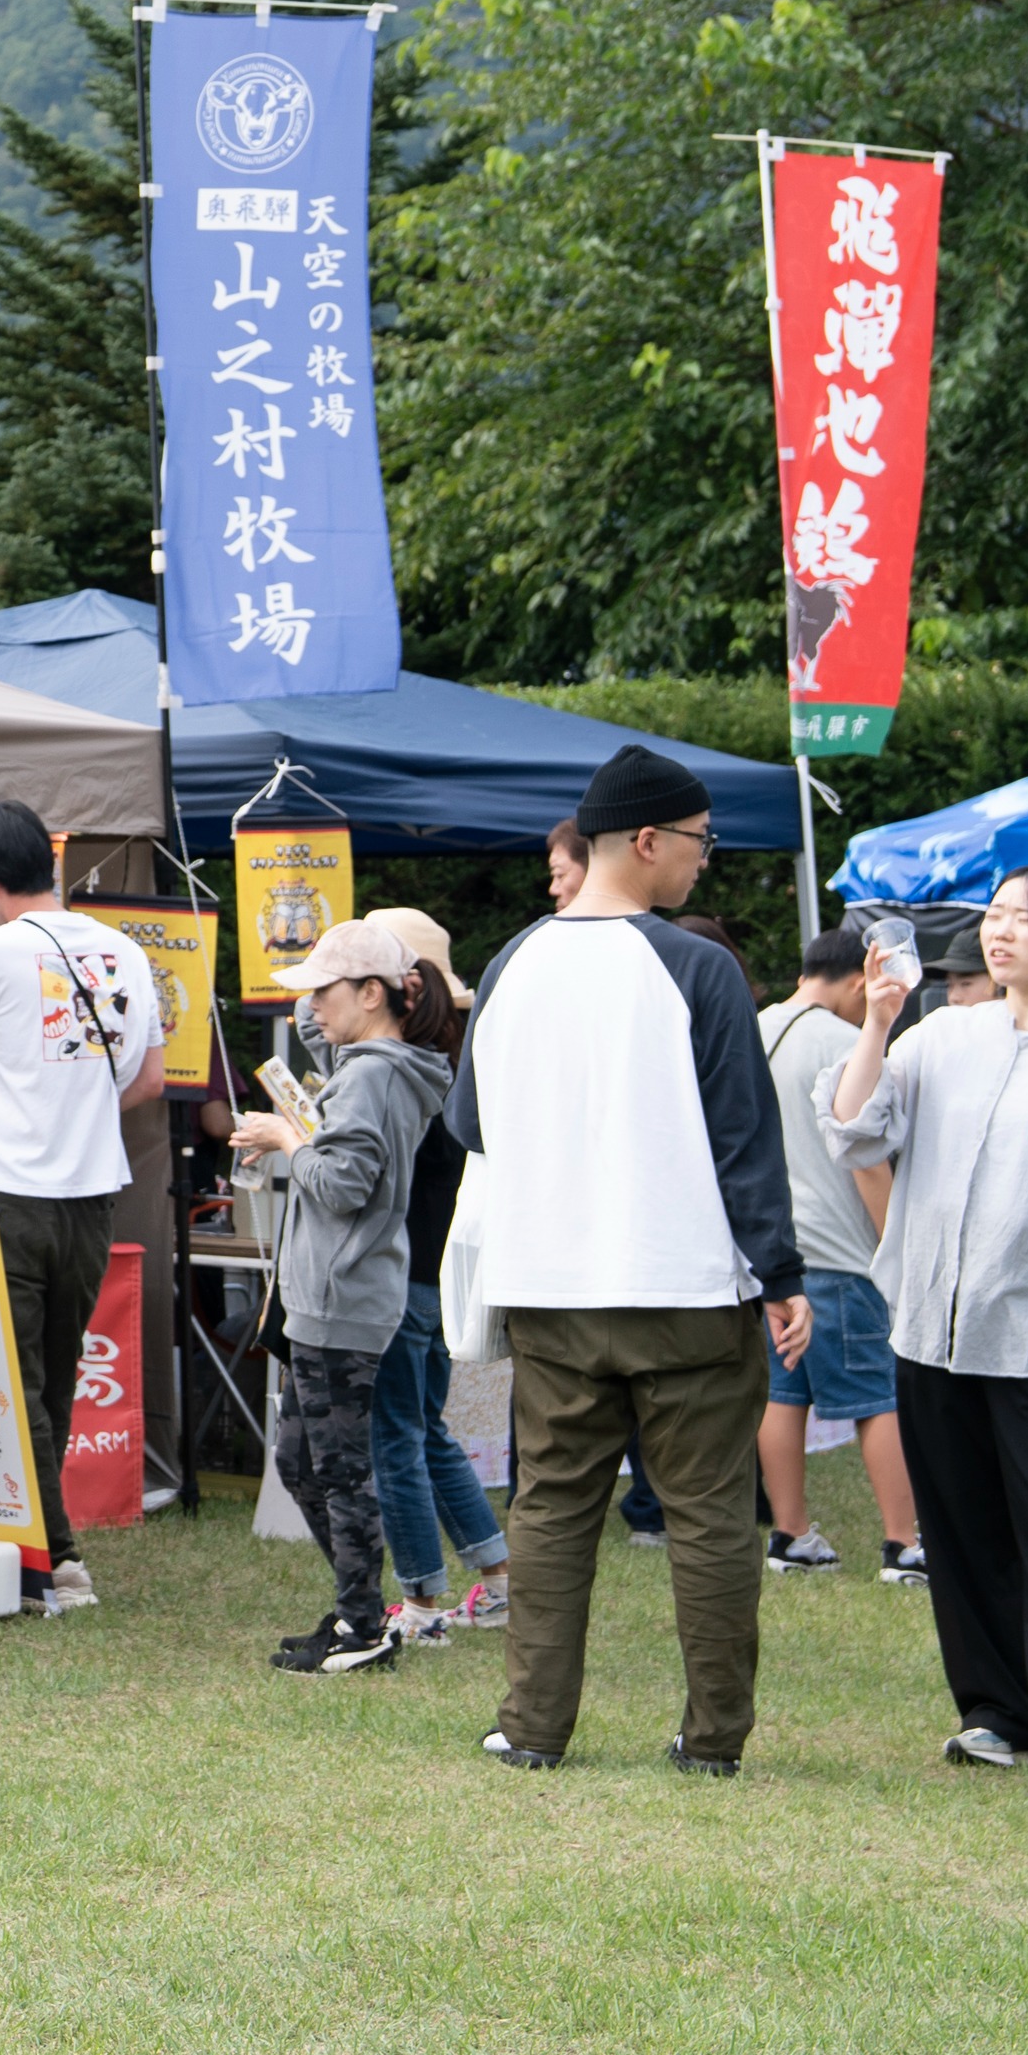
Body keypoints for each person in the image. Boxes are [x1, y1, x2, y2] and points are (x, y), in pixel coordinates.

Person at [443, 744, 807, 1777]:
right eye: (698, 843)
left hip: (547, 1284)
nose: (703, 862)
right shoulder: (697, 967)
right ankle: (712, 1739)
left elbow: (467, 1123)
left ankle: (529, 1728)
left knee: (551, 1506)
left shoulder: (511, 962)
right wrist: (778, 1275)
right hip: (685, 1284)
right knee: (704, 1516)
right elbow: (744, 1140)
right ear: (646, 841)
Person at [826, 864, 1028, 1802]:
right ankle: (996, 1713)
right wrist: (878, 1022)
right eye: (994, 917)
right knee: (961, 1527)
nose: (999, 933)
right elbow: (854, 1129)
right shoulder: (942, 1034)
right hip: (931, 1326)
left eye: (1023, 919)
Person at [0, 801, 166, 1614]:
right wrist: (77, 1106)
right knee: (52, 1377)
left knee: (14, 1383)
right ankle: (38, 1550)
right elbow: (150, 1080)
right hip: (92, 1197)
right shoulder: (125, 948)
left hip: (7, 1194)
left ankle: (55, 1560)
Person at [234, 921, 456, 1675]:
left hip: (343, 1296)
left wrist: (287, 1137)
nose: (312, 1009)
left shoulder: (370, 1074)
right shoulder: (378, 1059)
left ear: (372, 994)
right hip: (337, 1294)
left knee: (337, 1470)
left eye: (327, 992)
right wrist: (354, 955)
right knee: (302, 1461)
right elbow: (312, 1017)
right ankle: (361, 1608)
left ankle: (365, 1625)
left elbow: (341, 1184)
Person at [357, 906, 509, 1646]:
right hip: (441, 1274)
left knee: (395, 1435)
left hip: (397, 1275)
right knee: (425, 1429)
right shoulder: (461, 1064)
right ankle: (500, 1573)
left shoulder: (400, 1072)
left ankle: (421, 1603)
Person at [757, 923, 921, 1584]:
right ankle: (903, 1544)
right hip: (840, 1253)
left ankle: (789, 1533)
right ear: (862, 977)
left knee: (782, 1391)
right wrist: (897, 1249)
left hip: (771, 1256)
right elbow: (866, 1158)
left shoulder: (754, 1026)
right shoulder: (849, 1044)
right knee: (877, 1395)